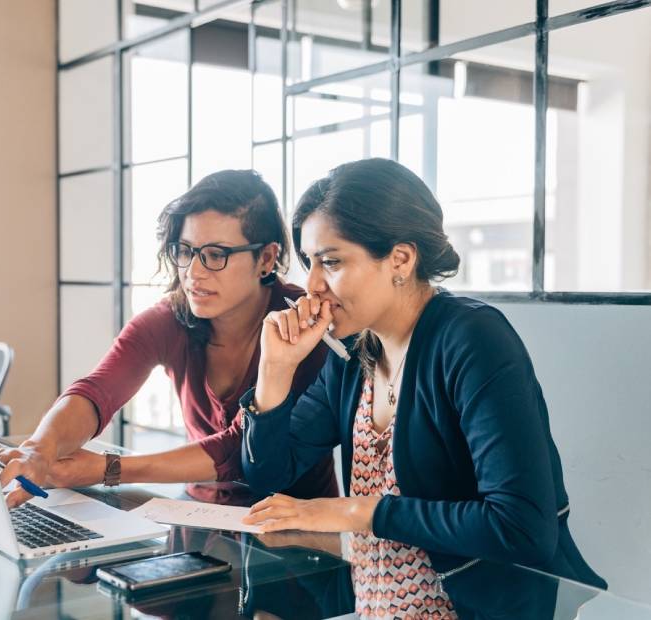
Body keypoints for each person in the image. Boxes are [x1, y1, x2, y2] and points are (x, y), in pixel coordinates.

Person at [239, 158, 606, 617]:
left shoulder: (472, 340)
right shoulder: (355, 354)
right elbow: (268, 476)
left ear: (401, 259)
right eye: (310, 262)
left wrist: (360, 512)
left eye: (331, 262)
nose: (311, 286)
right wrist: (274, 372)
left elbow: (522, 528)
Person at [0, 169, 337, 508]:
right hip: (198, 516)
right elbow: (97, 390)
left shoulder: (303, 325)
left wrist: (109, 469)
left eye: (216, 255)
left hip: (295, 537)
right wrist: (40, 449)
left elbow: (237, 450)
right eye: (185, 251)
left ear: (265, 258)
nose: (193, 272)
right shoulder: (172, 318)